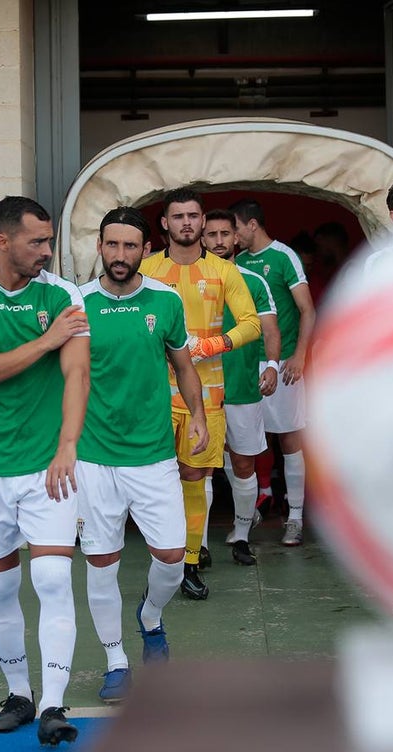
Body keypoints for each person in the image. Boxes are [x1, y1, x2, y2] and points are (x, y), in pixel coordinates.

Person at [0, 196, 90, 747]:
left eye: (49, 241)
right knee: (1, 585)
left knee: (52, 578)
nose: (47, 252)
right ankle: (20, 694)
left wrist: (68, 445)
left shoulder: (63, 295)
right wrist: (46, 341)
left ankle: (53, 705)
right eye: (37, 242)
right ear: (3, 241)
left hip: (47, 467)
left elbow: (76, 375)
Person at [77, 206, 207, 703]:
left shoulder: (166, 302)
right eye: (112, 245)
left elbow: (184, 365)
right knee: (101, 562)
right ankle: (116, 662)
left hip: (153, 455)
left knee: (172, 558)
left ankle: (150, 617)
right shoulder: (78, 303)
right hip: (94, 457)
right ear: (100, 248)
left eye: (130, 246)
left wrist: (195, 414)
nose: (120, 255)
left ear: (146, 251)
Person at [140, 188, 261, 599]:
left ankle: (191, 562)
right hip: (153, 394)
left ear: (203, 221)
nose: (187, 223)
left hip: (206, 396)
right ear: (165, 223)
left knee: (194, 477)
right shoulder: (147, 268)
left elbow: (251, 323)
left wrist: (215, 344)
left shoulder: (226, 272)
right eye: (178, 216)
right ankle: (163, 563)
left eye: (193, 216)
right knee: (154, 481)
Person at [230, 198, 316, 546]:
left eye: (234, 228)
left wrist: (299, 356)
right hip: (245, 366)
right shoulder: (235, 264)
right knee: (242, 442)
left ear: (252, 225)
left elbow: (307, 310)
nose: (231, 237)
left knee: (289, 438)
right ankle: (248, 515)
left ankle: (294, 516)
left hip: (282, 365)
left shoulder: (284, 257)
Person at [202, 209, 281, 565]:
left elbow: (269, 329)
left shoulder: (253, 281)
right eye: (212, 234)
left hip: (242, 387)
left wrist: (273, 366)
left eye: (225, 234)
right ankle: (197, 546)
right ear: (202, 239)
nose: (219, 241)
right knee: (197, 468)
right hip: (198, 389)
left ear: (236, 238)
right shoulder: (190, 278)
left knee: (244, 465)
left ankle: (242, 536)